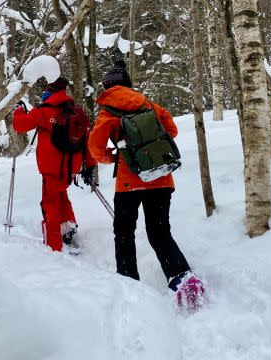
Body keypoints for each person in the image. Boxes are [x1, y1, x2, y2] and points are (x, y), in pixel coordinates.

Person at [86, 59, 205, 309]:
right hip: (161, 178)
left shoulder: (107, 113)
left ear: (107, 87)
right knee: (160, 233)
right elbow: (171, 131)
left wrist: (116, 155)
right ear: (128, 84)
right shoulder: (150, 105)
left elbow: (95, 149)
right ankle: (183, 280)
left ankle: (130, 286)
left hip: (129, 185)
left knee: (124, 234)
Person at [13, 76, 93, 252]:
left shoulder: (44, 111)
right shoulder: (76, 111)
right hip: (71, 167)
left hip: (51, 168)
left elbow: (19, 125)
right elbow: (87, 141)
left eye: (46, 90)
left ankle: (53, 247)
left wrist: (18, 110)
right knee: (61, 196)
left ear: (51, 91)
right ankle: (69, 231)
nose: (44, 93)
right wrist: (89, 166)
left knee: (50, 204)